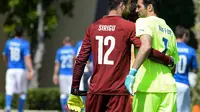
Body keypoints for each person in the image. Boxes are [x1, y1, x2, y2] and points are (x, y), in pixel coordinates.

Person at [68, 0, 175, 112]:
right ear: (121, 5)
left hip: (95, 91)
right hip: (117, 93)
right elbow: (147, 50)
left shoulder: (93, 27)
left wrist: (74, 89)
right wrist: (167, 59)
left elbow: (80, 60)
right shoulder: (128, 27)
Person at [125, 0, 180, 112]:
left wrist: (132, 73)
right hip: (169, 89)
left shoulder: (143, 21)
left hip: (147, 87)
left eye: (139, 7)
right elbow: (174, 66)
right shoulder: (170, 30)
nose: (136, 10)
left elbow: (146, 46)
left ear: (149, 7)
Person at [2, 26, 34, 112]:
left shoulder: (8, 43)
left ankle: (8, 106)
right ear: (22, 33)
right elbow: (27, 58)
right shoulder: (25, 43)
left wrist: (7, 64)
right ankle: (20, 110)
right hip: (21, 69)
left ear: (15, 33)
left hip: (11, 69)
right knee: (22, 91)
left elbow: (4, 55)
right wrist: (30, 70)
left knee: (9, 88)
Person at [174, 25, 198, 112]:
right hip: (184, 83)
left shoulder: (171, 48)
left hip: (171, 84)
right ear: (184, 35)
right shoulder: (191, 50)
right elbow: (195, 69)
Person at [52, 37, 75, 112]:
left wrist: (55, 75)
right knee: (70, 94)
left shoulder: (60, 51)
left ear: (63, 42)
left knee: (63, 94)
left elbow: (57, 64)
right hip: (71, 74)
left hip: (62, 74)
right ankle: (69, 110)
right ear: (71, 42)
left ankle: (64, 110)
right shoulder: (74, 50)